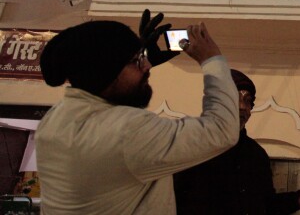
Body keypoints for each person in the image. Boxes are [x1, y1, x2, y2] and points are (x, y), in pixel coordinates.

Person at [35, 12, 240, 215]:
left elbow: (117, 124)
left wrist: (139, 61)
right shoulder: (128, 133)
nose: (147, 66)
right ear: (105, 72)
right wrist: (212, 60)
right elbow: (222, 130)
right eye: (136, 61)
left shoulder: (55, 120)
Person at [174, 69, 300, 214]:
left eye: (247, 101)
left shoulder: (255, 154)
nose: (243, 107)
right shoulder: (191, 145)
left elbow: (265, 204)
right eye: (235, 99)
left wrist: (297, 199)